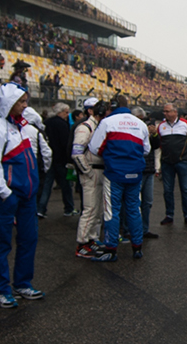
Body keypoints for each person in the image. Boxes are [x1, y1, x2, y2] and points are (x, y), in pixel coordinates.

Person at [0, 84, 50, 305]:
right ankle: (2, 290)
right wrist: (4, 193)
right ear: (10, 103)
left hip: (27, 196)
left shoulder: (18, 126)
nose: (25, 105)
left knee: (29, 240)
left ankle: (22, 284)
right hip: (7, 197)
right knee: (2, 244)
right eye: (21, 101)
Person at [90, 99, 149, 261]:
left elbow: (94, 147)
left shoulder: (107, 122)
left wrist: (112, 154)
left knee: (112, 211)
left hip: (114, 172)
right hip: (135, 172)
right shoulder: (140, 123)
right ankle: (137, 247)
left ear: (110, 108)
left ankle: (111, 249)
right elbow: (146, 149)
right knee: (134, 209)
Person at [72, 98, 110, 259]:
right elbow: (76, 152)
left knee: (98, 209)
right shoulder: (85, 127)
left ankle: (92, 238)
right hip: (91, 172)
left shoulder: (98, 126)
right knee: (90, 209)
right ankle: (82, 243)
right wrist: (87, 171)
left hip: (100, 171)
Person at [156, 103, 187, 226]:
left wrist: (185, 154)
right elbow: (160, 143)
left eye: (167, 111)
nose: (165, 114)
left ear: (175, 112)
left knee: (185, 189)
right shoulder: (161, 126)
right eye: (164, 112)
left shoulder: (185, 124)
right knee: (167, 190)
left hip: (182, 161)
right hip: (167, 162)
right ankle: (169, 214)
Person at [39, 101, 75, 218]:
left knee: (47, 185)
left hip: (50, 158)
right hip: (61, 159)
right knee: (66, 186)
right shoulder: (62, 125)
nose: (67, 114)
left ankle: (41, 208)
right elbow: (65, 143)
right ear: (60, 112)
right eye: (66, 112)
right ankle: (69, 208)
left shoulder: (47, 123)